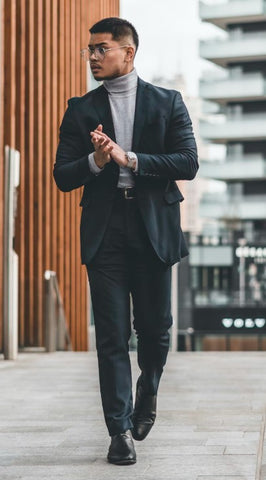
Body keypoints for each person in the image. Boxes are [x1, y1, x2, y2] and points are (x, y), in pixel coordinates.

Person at [54, 17, 198, 465]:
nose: (93, 57)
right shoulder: (80, 109)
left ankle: (148, 387)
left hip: (153, 227)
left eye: (101, 49)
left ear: (128, 52)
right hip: (106, 230)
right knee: (112, 336)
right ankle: (119, 431)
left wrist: (129, 158)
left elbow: (188, 162)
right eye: (89, 50)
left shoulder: (167, 102)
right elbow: (62, 175)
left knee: (154, 332)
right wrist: (96, 162)